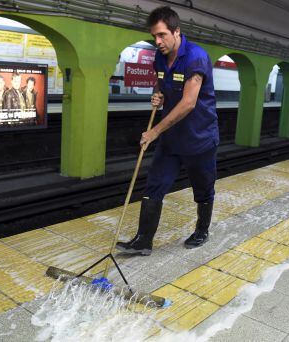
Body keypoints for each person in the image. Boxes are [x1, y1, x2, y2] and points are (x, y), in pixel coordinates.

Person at [116, 6, 219, 255]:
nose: (157, 41)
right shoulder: (159, 57)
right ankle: (143, 241)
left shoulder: (196, 57)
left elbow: (188, 103)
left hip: (199, 138)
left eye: (162, 35)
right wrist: (158, 95)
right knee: (155, 185)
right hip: (172, 138)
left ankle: (202, 230)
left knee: (203, 187)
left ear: (176, 31)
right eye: (154, 36)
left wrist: (154, 132)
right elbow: (162, 84)